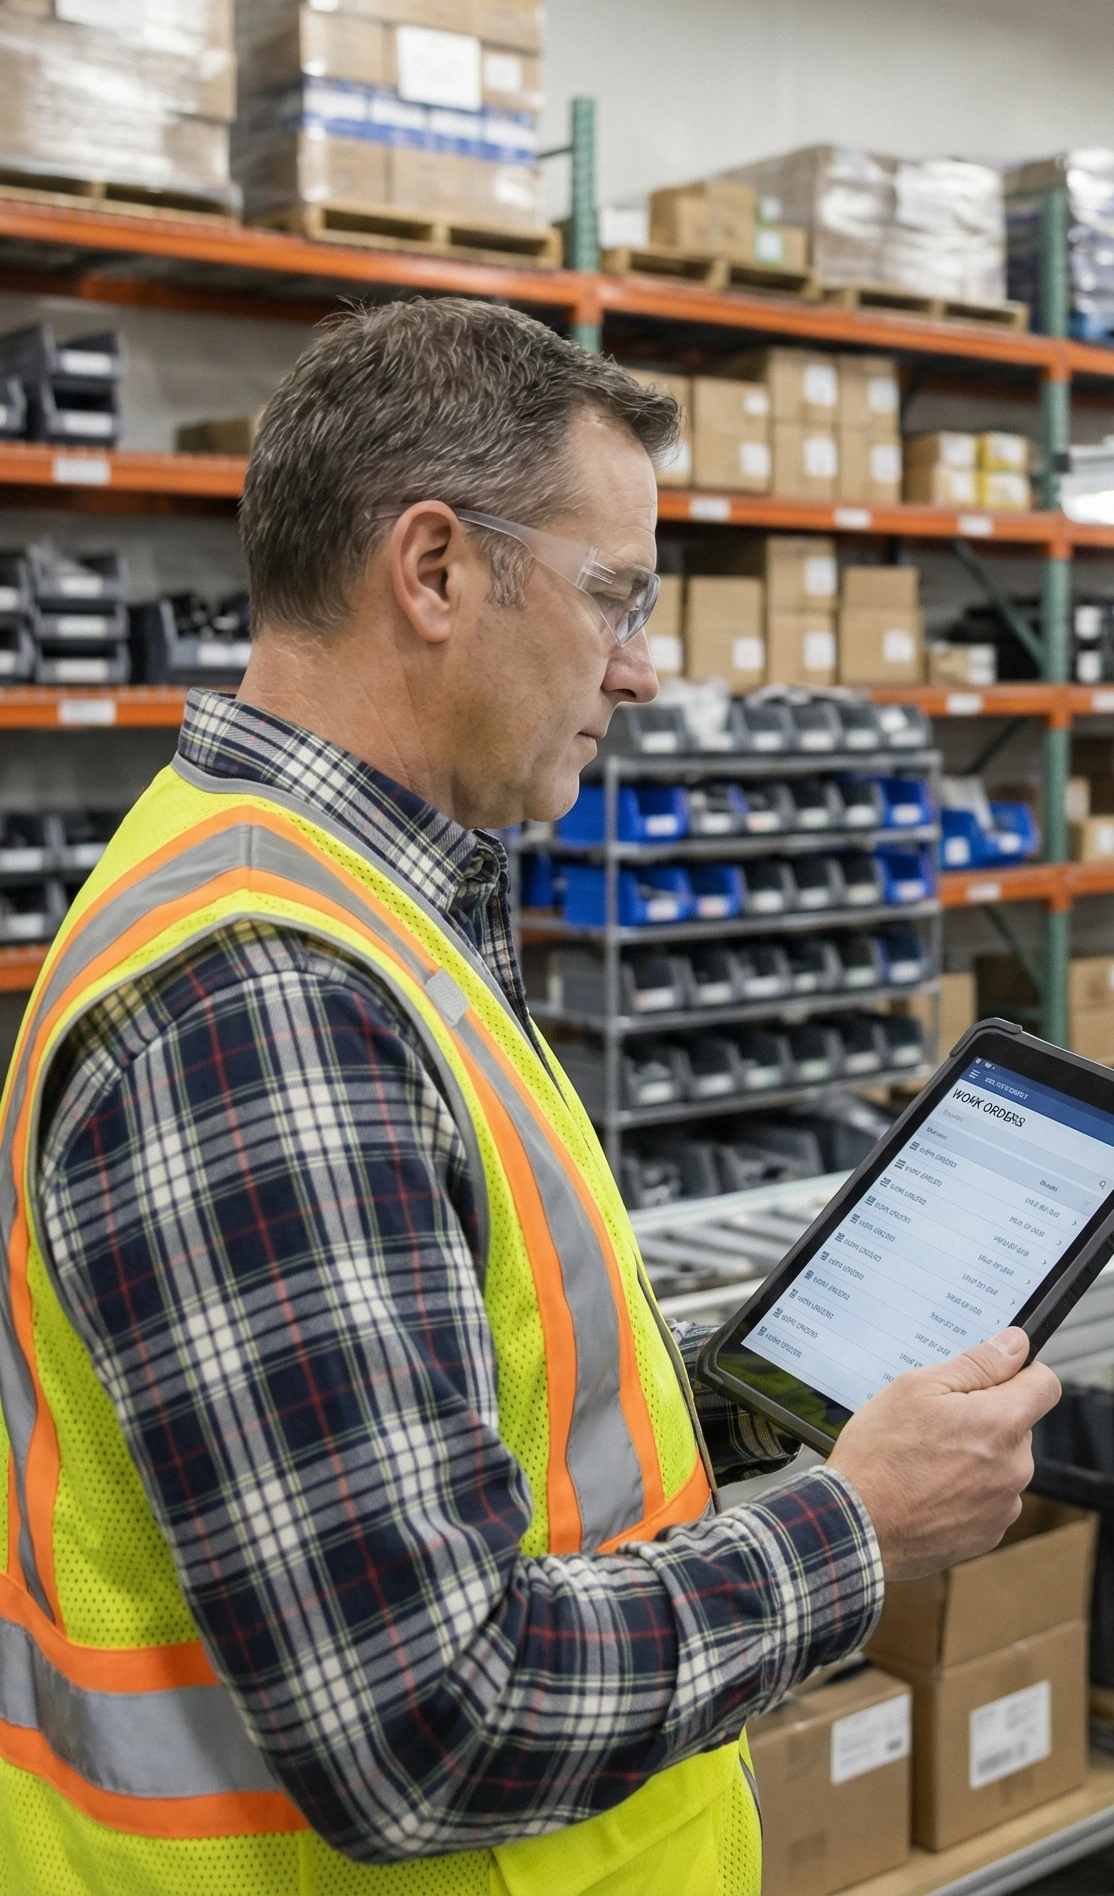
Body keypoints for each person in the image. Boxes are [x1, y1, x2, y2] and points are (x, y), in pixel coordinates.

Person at [0, 297, 1059, 1896]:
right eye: (614, 596)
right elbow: (428, 1717)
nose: (640, 670)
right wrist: (861, 1524)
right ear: (433, 571)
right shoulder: (269, 999)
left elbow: (468, 1412)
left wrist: (725, 1403)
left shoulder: (355, 905)